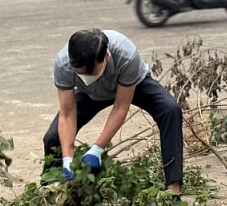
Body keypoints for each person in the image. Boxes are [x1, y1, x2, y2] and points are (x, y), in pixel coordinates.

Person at [43, 29, 184, 195]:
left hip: (131, 85)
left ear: (106, 57)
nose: (86, 76)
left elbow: (120, 107)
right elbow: (67, 114)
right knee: (53, 138)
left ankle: (173, 191)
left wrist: (97, 150)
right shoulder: (64, 64)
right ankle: (49, 191)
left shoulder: (126, 56)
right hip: (90, 92)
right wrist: (68, 159)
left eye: (91, 72)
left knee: (170, 110)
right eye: (80, 73)